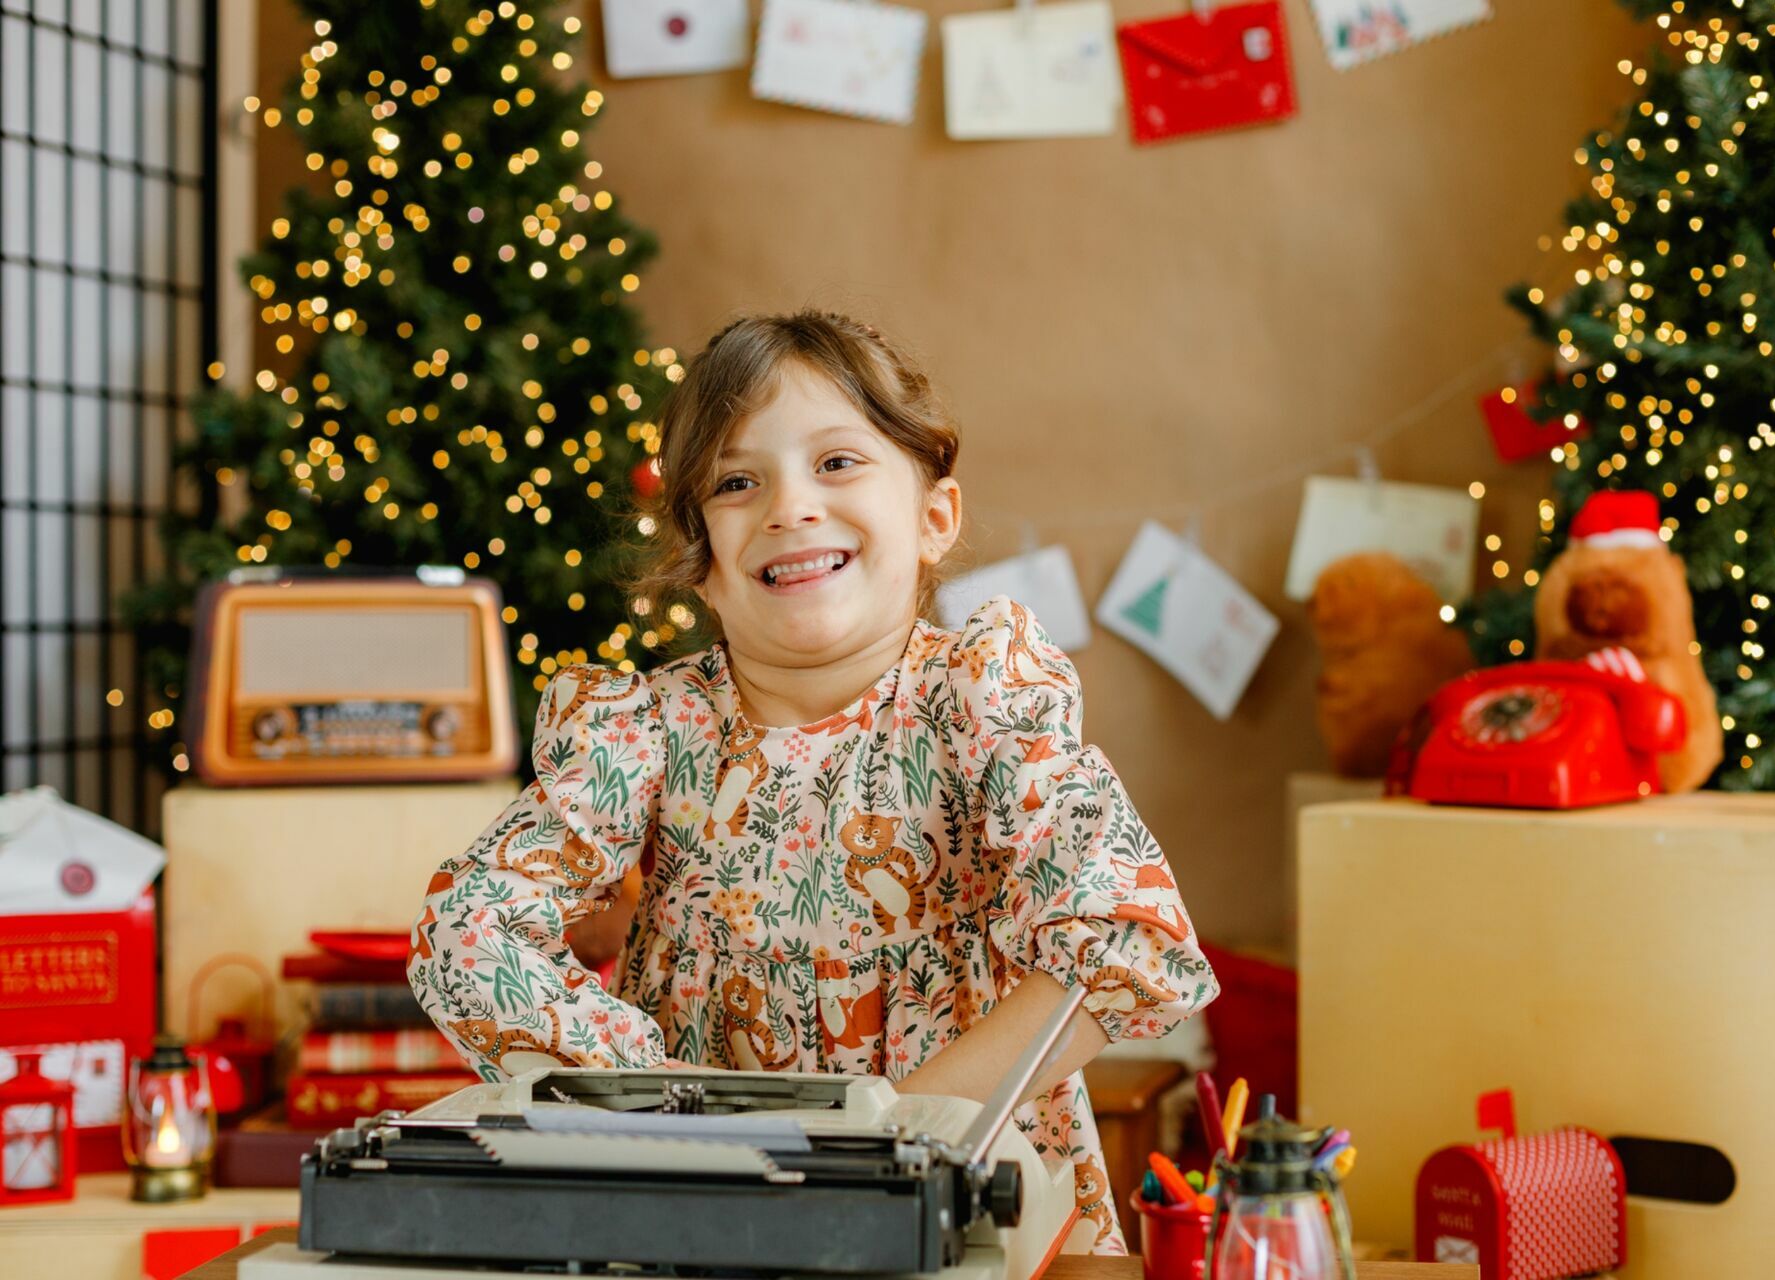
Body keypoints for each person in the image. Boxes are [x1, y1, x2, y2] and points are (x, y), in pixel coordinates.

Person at [408, 309, 1216, 1254]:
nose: (788, 506)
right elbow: (466, 930)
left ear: (933, 518)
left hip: (969, 1196)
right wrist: (673, 1111)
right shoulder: (645, 732)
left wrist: (876, 1144)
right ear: (702, 565)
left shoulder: (983, 700)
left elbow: (1126, 937)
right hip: (716, 1220)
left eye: (836, 463)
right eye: (738, 482)